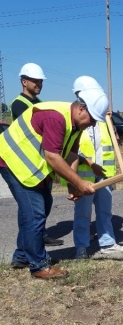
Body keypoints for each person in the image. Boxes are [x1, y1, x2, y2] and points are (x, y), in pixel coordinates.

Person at [0, 88, 109, 279]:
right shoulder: (56, 117)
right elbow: (52, 156)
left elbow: (72, 155)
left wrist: (72, 185)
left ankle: (22, 256)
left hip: (30, 167)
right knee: (35, 212)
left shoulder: (75, 125)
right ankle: (39, 266)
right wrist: (80, 182)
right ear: (82, 109)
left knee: (40, 207)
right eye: (92, 119)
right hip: (12, 161)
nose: (92, 124)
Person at [69, 76, 123, 259]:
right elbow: (71, 150)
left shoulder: (102, 116)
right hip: (85, 175)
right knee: (82, 213)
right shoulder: (77, 118)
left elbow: (114, 142)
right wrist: (89, 164)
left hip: (104, 174)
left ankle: (107, 243)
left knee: (104, 211)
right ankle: (81, 247)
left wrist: (112, 124)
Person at [9, 63, 63, 246]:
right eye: (35, 81)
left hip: (41, 161)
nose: (39, 84)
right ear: (24, 81)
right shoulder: (19, 104)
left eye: (41, 81)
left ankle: (39, 235)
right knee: (31, 208)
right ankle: (29, 245)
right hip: (26, 163)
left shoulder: (40, 103)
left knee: (45, 202)